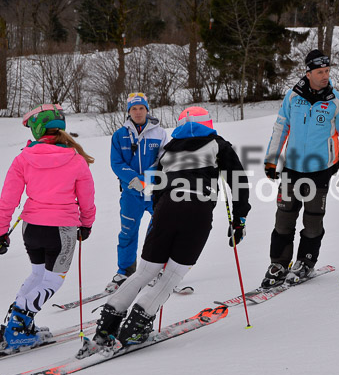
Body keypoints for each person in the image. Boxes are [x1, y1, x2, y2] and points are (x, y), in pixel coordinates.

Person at [91, 106, 250, 347]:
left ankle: (107, 324)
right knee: (172, 274)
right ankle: (135, 327)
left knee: (145, 272)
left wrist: (161, 216)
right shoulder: (218, 144)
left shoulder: (168, 150)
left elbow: (156, 185)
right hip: (198, 207)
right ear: (208, 124)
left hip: (166, 207)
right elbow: (237, 181)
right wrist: (239, 219)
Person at [0, 104, 95, 351]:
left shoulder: (23, 158)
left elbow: (7, 199)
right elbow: (87, 198)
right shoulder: (75, 159)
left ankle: (19, 321)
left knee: (38, 275)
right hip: (61, 230)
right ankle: (19, 324)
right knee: (52, 281)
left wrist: (1, 231)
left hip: (31, 228)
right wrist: (86, 224)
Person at [262, 49, 339, 288]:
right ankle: (278, 264)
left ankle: (305, 262)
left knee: (313, 221)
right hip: (292, 168)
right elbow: (280, 128)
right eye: (319, 72)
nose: (325, 76)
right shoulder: (293, 97)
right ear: (308, 73)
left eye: (327, 71)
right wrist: (272, 158)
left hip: (320, 171)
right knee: (283, 219)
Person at [107, 93, 168, 292]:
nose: (138, 112)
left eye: (141, 108)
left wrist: (148, 179)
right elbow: (116, 163)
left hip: (154, 192)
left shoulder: (159, 133)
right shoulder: (119, 135)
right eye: (134, 109)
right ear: (129, 112)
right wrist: (134, 179)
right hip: (130, 192)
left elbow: (163, 160)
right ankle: (125, 271)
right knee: (127, 232)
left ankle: (156, 269)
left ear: (147, 110)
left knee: (159, 231)